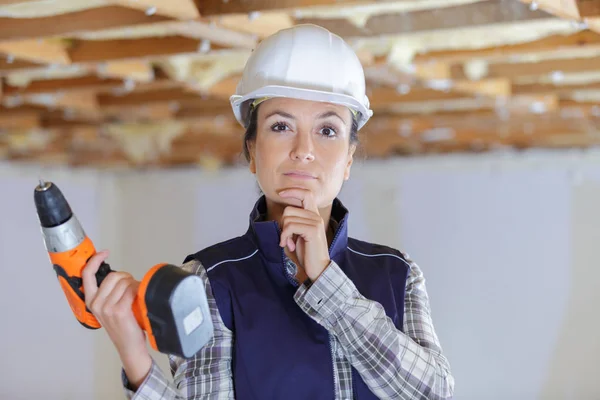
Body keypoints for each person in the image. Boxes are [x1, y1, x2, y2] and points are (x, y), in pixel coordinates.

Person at [81, 24, 455, 400]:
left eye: (327, 130)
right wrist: (135, 358)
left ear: (348, 160)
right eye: (280, 126)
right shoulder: (211, 281)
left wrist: (326, 280)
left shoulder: (396, 273)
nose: (303, 149)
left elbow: (434, 393)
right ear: (252, 152)